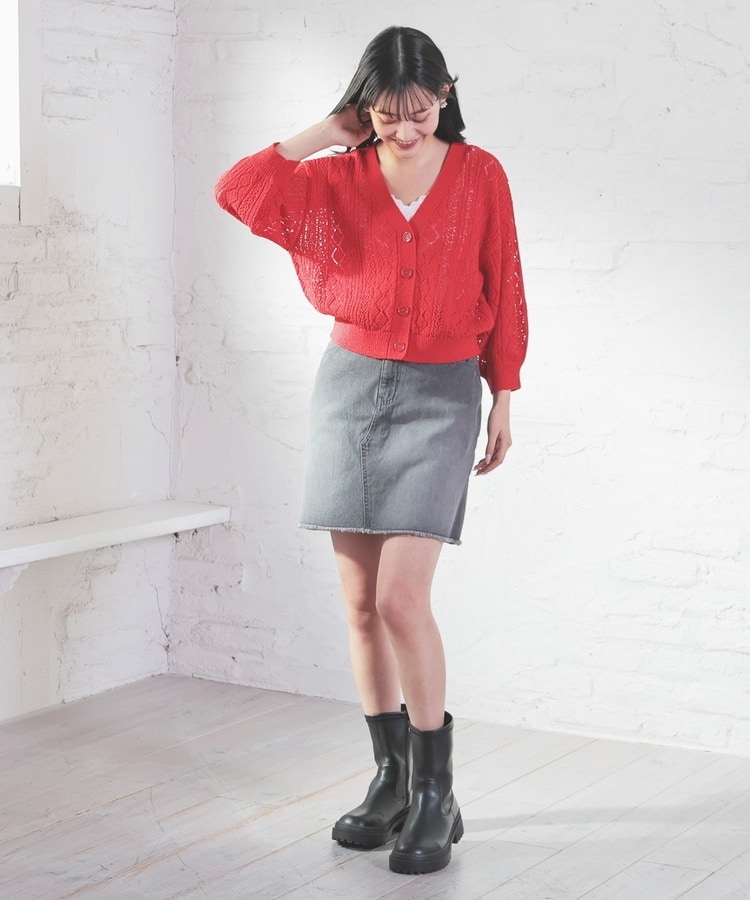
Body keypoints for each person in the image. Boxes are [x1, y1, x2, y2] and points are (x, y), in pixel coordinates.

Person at [215, 25, 528, 875]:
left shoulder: (481, 174)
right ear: (366, 108)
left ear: (446, 96)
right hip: (350, 391)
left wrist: (503, 393)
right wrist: (327, 130)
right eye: (388, 115)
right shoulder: (340, 175)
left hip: (441, 395)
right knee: (358, 603)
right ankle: (389, 780)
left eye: (420, 112)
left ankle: (436, 792)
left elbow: (505, 278)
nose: (405, 130)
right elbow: (238, 189)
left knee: (400, 599)